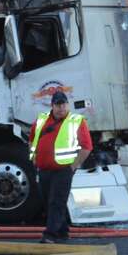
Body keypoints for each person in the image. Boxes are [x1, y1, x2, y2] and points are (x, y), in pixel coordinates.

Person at [28, 91, 92, 244]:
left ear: (67, 105)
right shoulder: (41, 119)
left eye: (63, 104)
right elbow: (31, 141)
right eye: (58, 104)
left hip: (63, 170)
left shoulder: (76, 121)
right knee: (48, 201)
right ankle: (62, 232)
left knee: (56, 201)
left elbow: (87, 147)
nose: (61, 108)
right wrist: (34, 159)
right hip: (44, 169)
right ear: (52, 105)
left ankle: (50, 234)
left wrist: (73, 167)